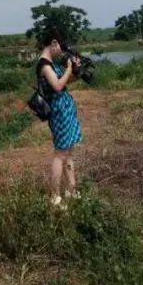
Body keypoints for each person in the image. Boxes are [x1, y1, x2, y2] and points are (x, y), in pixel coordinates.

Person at [36, 31, 83, 207]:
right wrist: (69, 68)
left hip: (65, 108)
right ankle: (54, 196)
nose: (61, 52)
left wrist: (75, 70)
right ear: (53, 43)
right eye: (59, 48)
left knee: (69, 152)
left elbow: (64, 83)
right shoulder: (44, 64)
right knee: (60, 154)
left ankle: (72, 189)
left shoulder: (51, 64)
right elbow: (57, 86)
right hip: (59, 111)